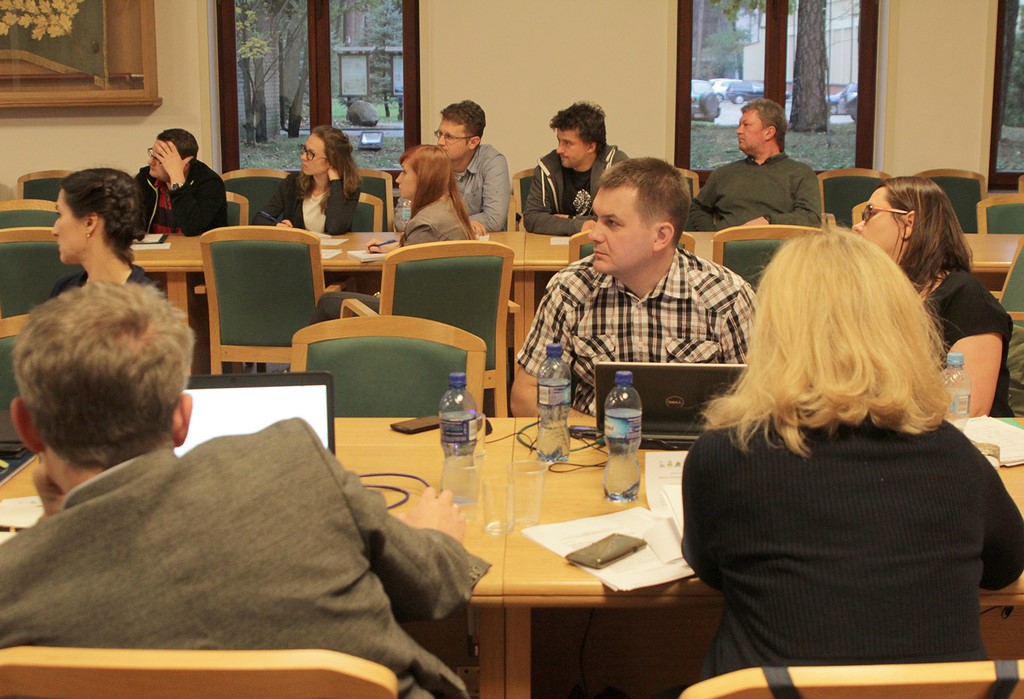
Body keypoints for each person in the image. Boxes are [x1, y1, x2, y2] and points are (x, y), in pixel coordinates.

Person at [0, 283, 489, 699]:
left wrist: (56, 524)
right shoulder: (292, 462)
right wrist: (436, 538)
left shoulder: (12, 589)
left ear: (26, 426)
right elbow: (435, 589)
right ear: (181, 418)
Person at [682, 232, 1024, 681]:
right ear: (901, 327)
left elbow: (709, 570)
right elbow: (1005, 568)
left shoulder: (726, 455)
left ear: (773, 331)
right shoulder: (956, 458)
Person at [511, 158, 754, 417]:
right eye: (597, 218)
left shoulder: (727, 297)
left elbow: (762, 402)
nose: (593, 234)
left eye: (612, 223)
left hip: (696, 440)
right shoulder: (570, 289)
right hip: (592, 435)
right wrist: (604, 432)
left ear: (661, 236)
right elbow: (525, 395)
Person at [854, 176, 1013, 416]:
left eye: (870, 213)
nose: (858, 226)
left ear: (908, 223)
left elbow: (970, 409)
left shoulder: (967, 296)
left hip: (963, 435)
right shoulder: (878, 294)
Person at [310, 145, 475, 322]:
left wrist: (380, 296)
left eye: (404, 172)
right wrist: (399, 249)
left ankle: (304, 342)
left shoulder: (424, 225)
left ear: (424, 178)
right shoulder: (449, 208)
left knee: (328, 301)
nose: (398, 179)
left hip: (417, 319)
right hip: (442, 308)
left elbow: (405, 290)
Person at [686, 99, 821, 231]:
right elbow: (698, 208)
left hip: (778, 244)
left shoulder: (800, 173)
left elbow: (811, 218)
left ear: (769, 132)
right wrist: (711, 237)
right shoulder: (724, 174)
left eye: (746, 125)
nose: (738, 131)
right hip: (726, 244)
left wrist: (769, 221)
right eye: (739, 125)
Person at [523, 101, 628, 236]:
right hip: (555, 246)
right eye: (559, 141)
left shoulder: (617, 166)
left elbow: (620, 219)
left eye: (567, 143)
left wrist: (569, 218)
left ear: (590, 146)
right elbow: (532, 218)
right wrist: (579, 225)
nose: (559, 149)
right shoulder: (547, 167)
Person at [50, 168, 154, 296]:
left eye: (60, 214)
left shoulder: (146, 303)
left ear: (89, 223)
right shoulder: (64, 288)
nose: (54, 230)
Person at [252, 125, 362, 235]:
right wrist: (277, 226)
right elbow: (260, 218)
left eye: (311, 154)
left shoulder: (348, 188)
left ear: (331, 161)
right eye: (305, 150)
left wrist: (336, 182)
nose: (303, 157)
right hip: (298, 246)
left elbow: (335, 228)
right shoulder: (292, 183)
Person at [435, 100, 511, 235]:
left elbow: (494, 219)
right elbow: (403, 217)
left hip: (482, 244)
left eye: (449, 137)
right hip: (439, 242)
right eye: (439, 134)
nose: (440, 142)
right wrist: (460, 224)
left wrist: (438, 225)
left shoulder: (492, 161)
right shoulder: (431, 161)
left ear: (473, 142)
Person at [135, 128, 227, 237]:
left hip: (197, 246)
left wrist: (177, 179)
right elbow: (130, 222)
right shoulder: (146, 177)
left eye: (159, 159)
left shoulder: (210, 183)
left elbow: (191, 228)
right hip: (155, 246)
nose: (150, 162)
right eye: (152, 155)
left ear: (184, 166)